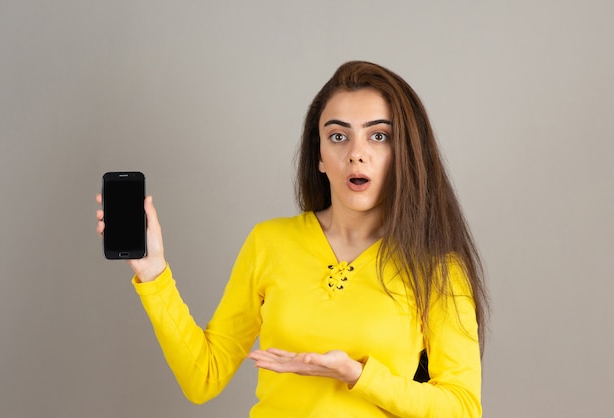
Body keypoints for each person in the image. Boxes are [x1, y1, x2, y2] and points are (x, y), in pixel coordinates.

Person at [96, 61, 489, 417]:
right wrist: (154, 274)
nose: (356, 154)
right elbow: (204, 377)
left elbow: (463, 408)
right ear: (319, 155)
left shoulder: (437, 267)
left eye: (379, 137)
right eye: (338, 137)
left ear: (405, 152)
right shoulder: (270, 242)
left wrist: (357, 375)